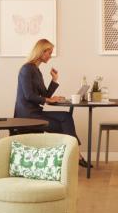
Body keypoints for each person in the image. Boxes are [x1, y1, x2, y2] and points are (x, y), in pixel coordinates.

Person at [14, 38, 90, 168]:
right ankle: (74, 156)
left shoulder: (37, 71)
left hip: (36, 112)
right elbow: (29, 95)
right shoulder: (26, 69)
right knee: (64, 127)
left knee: (66, 117)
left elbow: (45, 95)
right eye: (49, 53)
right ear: (42, 52)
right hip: (27, 115)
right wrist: (49, 99)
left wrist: (54, 80)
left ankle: (73, 155)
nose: (50, 56)